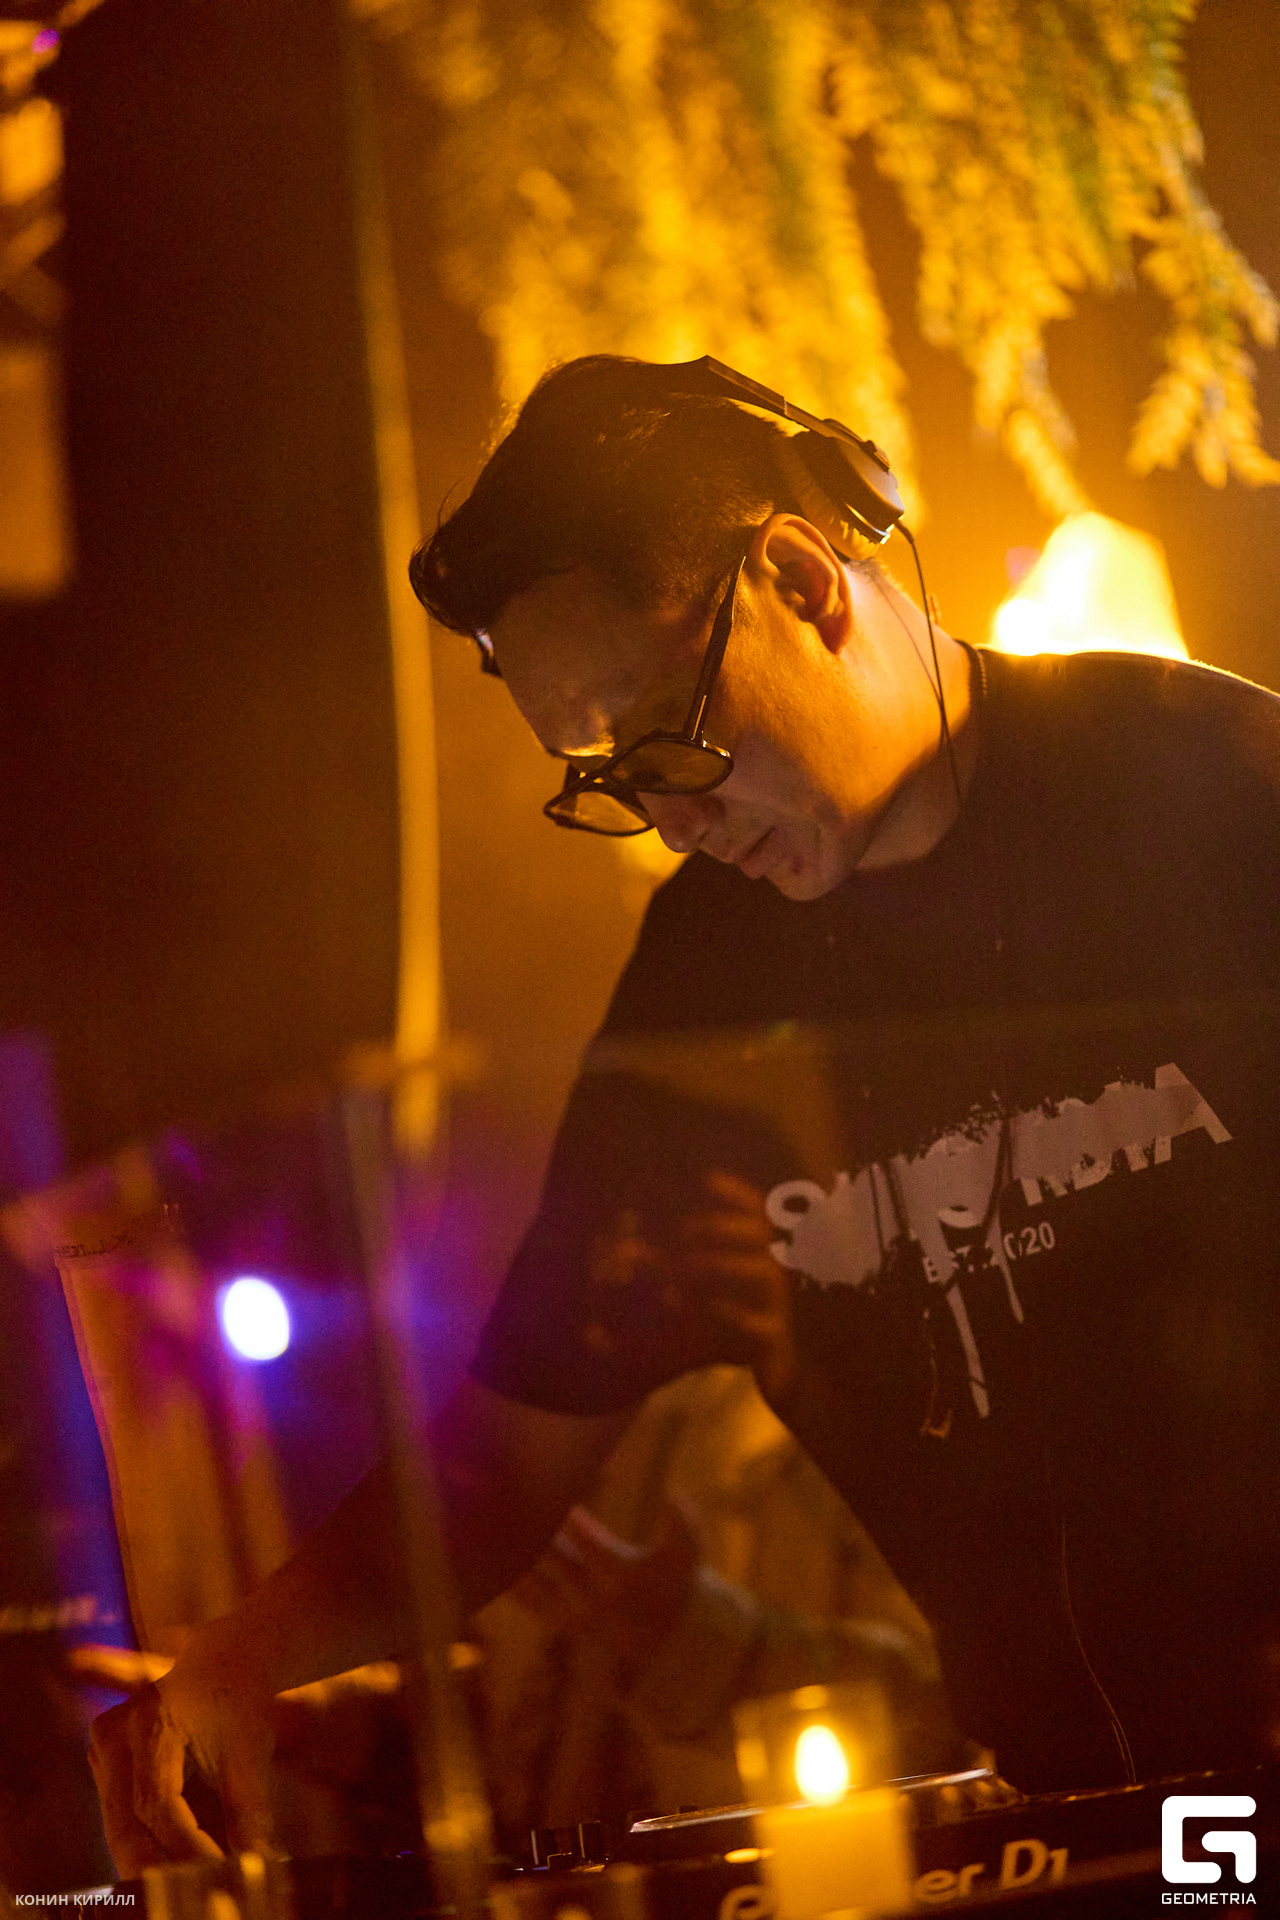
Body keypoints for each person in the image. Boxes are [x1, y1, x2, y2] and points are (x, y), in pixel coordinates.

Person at [90, 353, 1280, 1871]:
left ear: (802, 578)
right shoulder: (701, 988)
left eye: (670, 742)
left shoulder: (1214, 792)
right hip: (1084, 1823)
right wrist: (237, 1660)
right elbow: (505, 1461)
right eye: (608, 781)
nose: (668, 822)